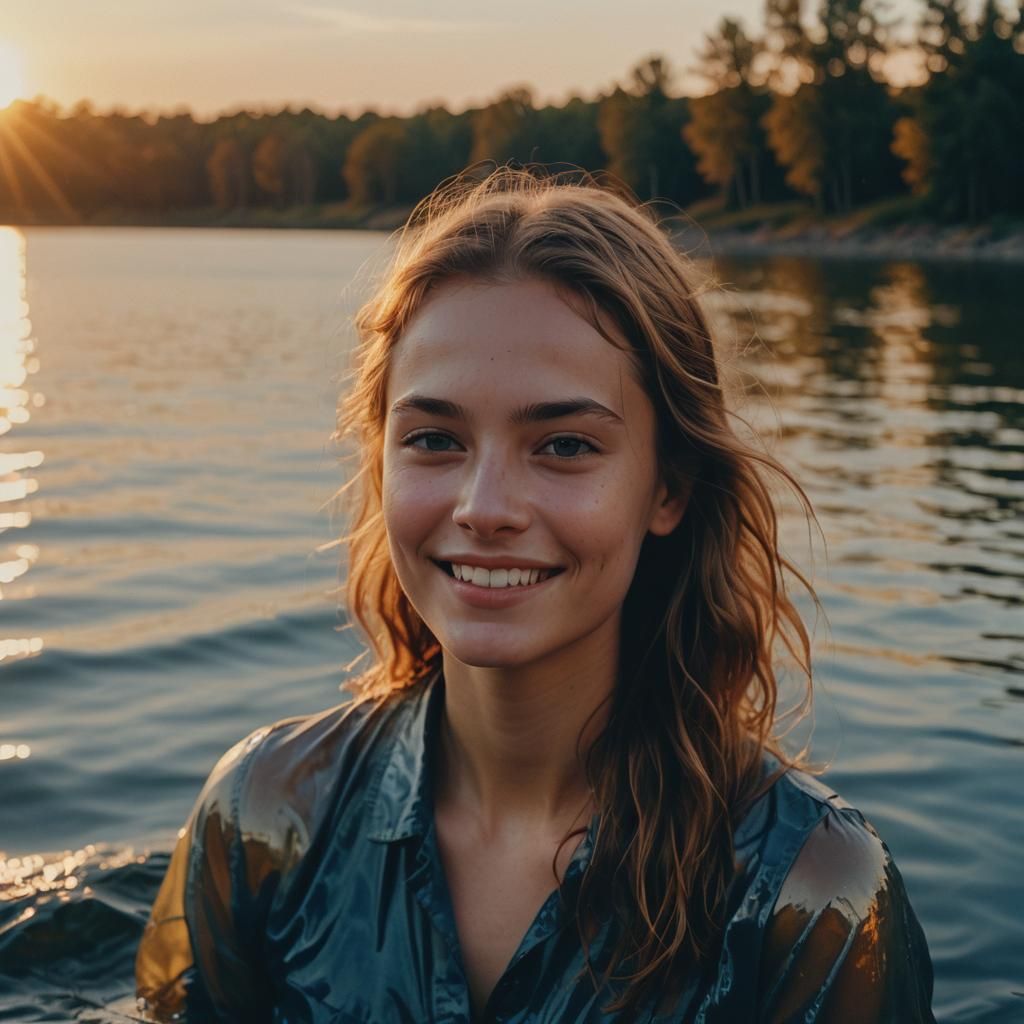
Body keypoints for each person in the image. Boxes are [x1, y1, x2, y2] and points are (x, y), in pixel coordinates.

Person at [135, 166, 935, 1023]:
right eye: (435, 439)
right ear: (380, 462)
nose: (484, 509)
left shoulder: (810, 893)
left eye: (563, 446)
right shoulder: (264, 818)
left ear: (667, 489)